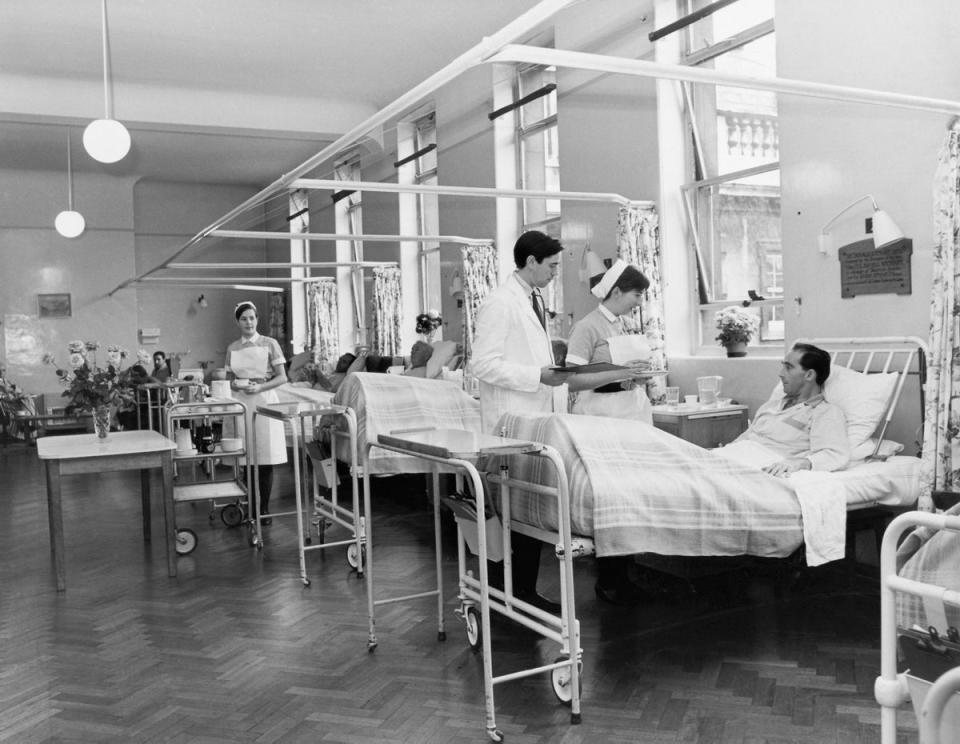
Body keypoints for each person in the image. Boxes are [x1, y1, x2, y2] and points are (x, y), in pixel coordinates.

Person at [470, 230, 572, 613]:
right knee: (513, 510)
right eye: (551, 265)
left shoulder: (533, 299)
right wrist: (536, 377)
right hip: (512, 421)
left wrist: (549, 378)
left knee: (527, 508)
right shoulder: (500, 303)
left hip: (534, 418)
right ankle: (507, 592)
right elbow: (482, 364)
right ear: (531, 261)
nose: (554, 273)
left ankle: (520, 591)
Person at [565, 259, 661, 606]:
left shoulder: (622, 325)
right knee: (610, 499)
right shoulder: (587, 328)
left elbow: (618, 373)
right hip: (600, 420)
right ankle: (609, 580)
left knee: (632, 498)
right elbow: (572, 379)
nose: (639, 301)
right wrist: (618, 376)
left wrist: (635, 377)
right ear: (616, 291)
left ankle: (625, 575)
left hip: (628, 416)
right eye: (636, 294)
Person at [731, 342, 851, 475]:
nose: (781, 374)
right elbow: (743, 439)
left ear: (809, 375)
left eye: (788, 368)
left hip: (760, 466)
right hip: (734, 458)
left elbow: (835, 454)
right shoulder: (770, 406)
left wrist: (801, 462)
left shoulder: (824, 412)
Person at [225, 301, 289, 525]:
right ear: (238, 322)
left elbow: (282, 377)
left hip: (264, 401)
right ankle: (251, 506)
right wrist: (236, 386)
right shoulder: (232, 348)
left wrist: (260, 387)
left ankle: (264, 508)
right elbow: (228, 380)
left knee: (264, 456)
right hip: (242, 402)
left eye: (252, 318)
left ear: (257, 320)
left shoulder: (270, 344)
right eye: (244, 319)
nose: (248, 322)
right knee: (247, 457)